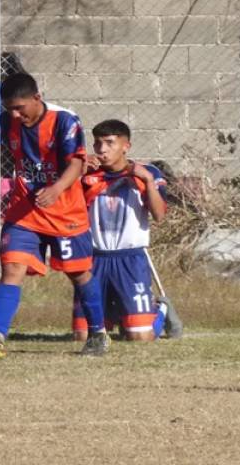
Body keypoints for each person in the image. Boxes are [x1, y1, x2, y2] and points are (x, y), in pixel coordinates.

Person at [0, 73, 109, 358]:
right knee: (12, 268)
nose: (16, 115)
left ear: (37, 98)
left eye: (20, 107)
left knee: (79, 273)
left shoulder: (65, 121)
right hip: (25, 209)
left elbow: (76, 163)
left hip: (64, 210)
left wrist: (56, 188)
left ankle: (98, 333)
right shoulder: (8, 122)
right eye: (10, 109)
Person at [70, 120, 177, 342]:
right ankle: (117, 315)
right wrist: (76, 177)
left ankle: (160, 310)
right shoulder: (88, 175)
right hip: (94, 259)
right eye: (98, 143)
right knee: (82, 336)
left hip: (130, 259)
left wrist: (147, 181)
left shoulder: (145, 173)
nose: (102, 150)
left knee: (141, 338)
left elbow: (159, 215)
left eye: (109, 143)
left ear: (126, 145)